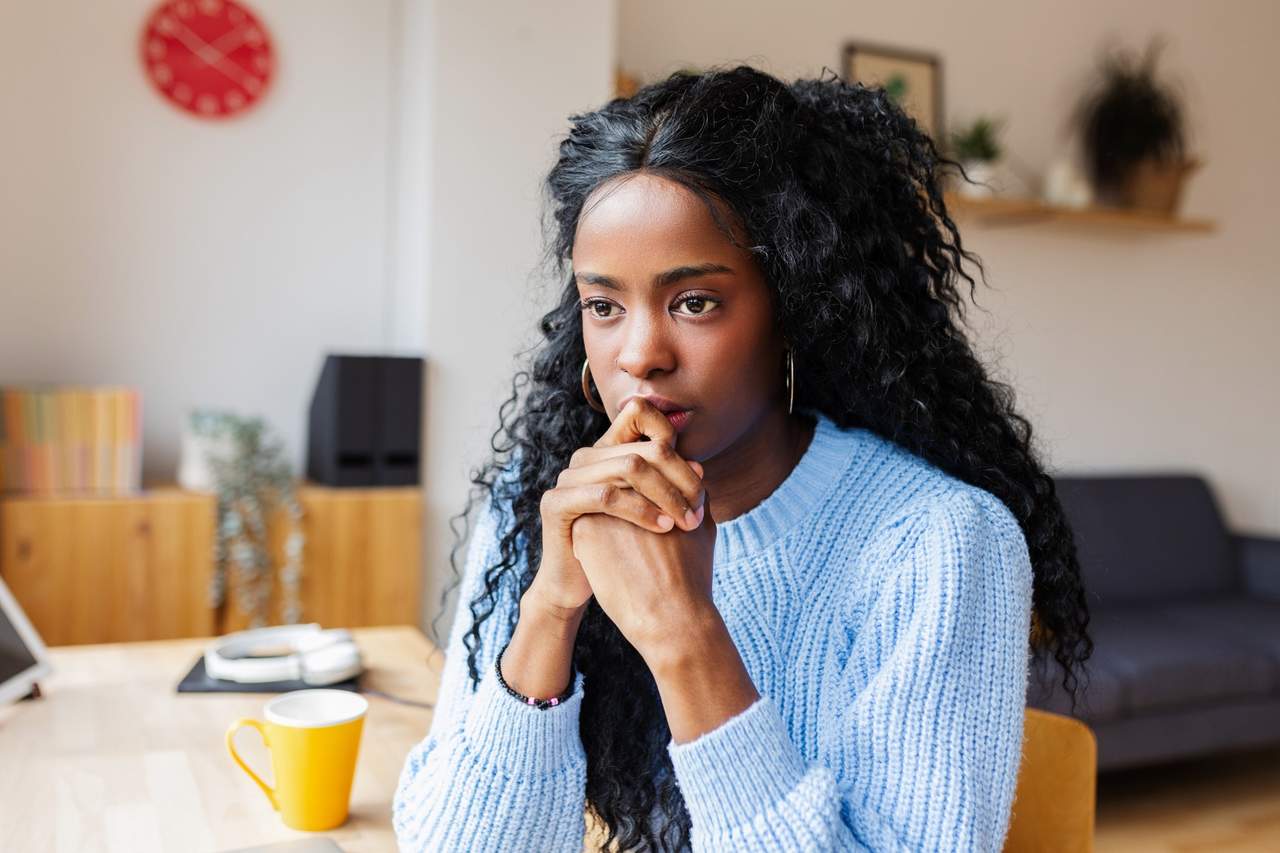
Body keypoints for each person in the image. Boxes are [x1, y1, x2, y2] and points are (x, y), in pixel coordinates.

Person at [393, 64, 1090, 852]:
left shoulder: (939, 543)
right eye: (604, 305)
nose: (640, 354)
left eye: (694, 302)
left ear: (792, 307)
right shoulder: (542, 504)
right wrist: (551, 606)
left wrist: (685, 635)